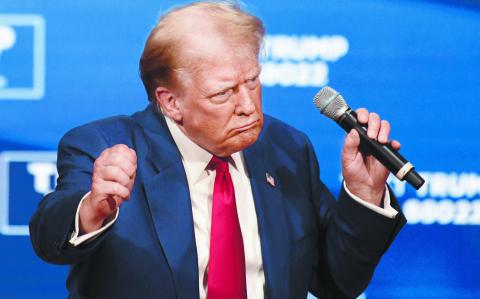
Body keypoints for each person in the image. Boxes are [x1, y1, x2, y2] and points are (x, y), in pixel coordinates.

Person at [29, 2, 406, 299]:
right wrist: (92, 209)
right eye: (223, 93)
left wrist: (363, 194)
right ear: (171, 102)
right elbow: (49, 238)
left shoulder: (287, 149)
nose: (248, 105)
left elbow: (337, 282)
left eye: (253, 81)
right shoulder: (103, 146)